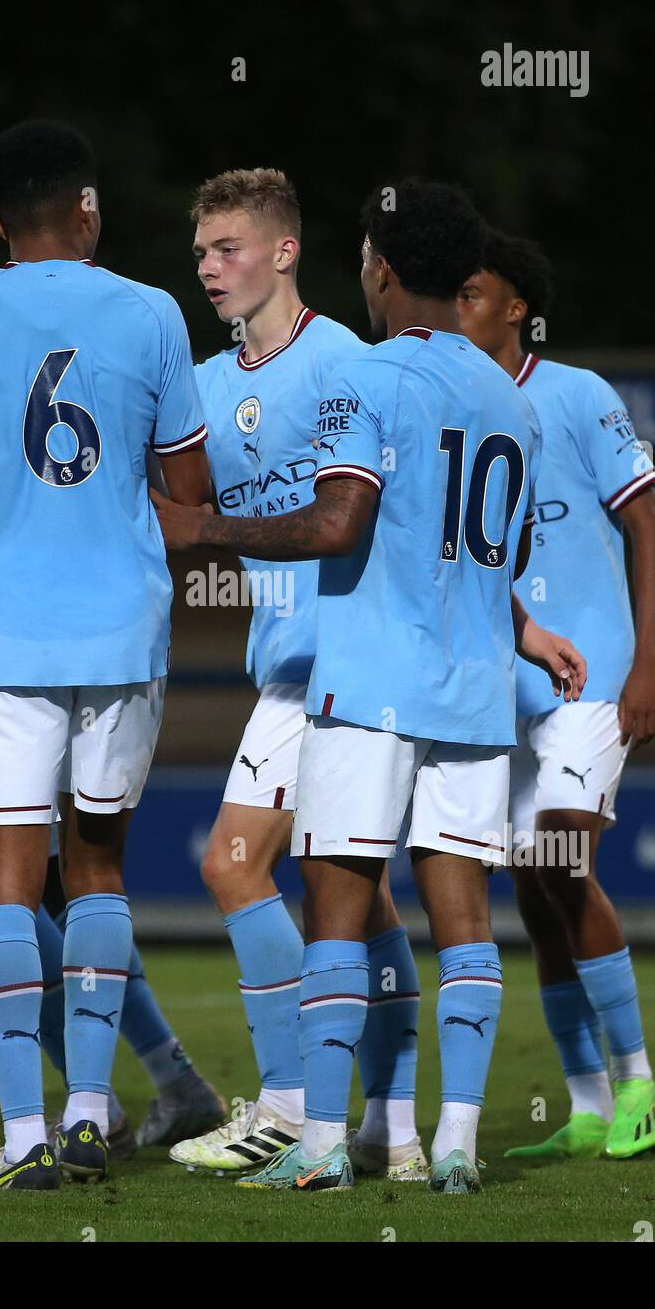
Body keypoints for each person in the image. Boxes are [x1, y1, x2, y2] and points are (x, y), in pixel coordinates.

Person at [155, 179, 586, 1192]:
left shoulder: (366, 376)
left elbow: (336, 523)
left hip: (366, 679)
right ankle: (446, 1144)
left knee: (336, 904)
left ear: (378, 269)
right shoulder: (506, 394)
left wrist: (203, 528)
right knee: (464, 919)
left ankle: (314, 1145)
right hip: (473, 693)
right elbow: (503, 549)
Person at [0, 120, 212, 1192]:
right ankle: (93, 1111)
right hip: (118, 635)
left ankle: (22, 1142)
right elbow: (191, 494)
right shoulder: (152, 311)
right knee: (98, 870)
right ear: (90, 210)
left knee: (2, 887)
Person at [168, 168, 425, 1181]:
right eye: (196, 253)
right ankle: (392, 1129)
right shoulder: (201, 384)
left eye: (225, 248)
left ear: (282, 252)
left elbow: (365, 520)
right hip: (282, 669)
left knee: (234, 863)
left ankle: (283, 1103)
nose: (206, 268)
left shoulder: (345, 365)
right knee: (357, 898)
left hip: (349, 663)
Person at [456, 231, 655, 1160]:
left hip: (593, 676)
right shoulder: (452, 405)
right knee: (536, 894)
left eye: (472, 294)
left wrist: (652, 662)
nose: (456, 308)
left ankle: (639, 1085)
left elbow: (650, 529)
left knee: (563, 863)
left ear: (514, 306)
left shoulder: (578, 394)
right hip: (498, 692)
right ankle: (585, 1106)